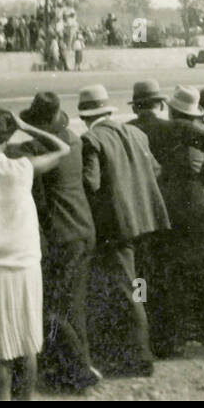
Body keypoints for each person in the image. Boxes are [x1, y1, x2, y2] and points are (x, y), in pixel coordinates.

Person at [0, 109, 69, 400]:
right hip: (25, 267)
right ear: (7, 137)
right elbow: (62, 148)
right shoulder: (23, 168)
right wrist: (25, 126)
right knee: (26, 343)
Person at [77, 84, 169, 377]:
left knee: (126, 290)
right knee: (139, 286)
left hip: (118, 228)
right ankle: (144, 346)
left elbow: (89, 184)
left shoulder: (91, 139)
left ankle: (139, 357)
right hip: (147, 222)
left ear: (85, 115)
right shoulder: (136, 133)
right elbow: (155, 169)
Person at [15, 92, 101, 394]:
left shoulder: (36, 148)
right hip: (82, 227)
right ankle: (77, 368)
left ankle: (77, 372)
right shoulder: (73, 139)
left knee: (55, 307)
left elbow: (36, 198)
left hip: (61, 234)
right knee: (72, 305)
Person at [130, 83, 204, 354]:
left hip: (155, 207)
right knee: (198, 265)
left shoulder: (130, 128)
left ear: (136, 106)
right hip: (192, 202)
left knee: (154, 272)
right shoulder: (175, 129)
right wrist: (202, 180)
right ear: (159, 105)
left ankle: (157, 326)